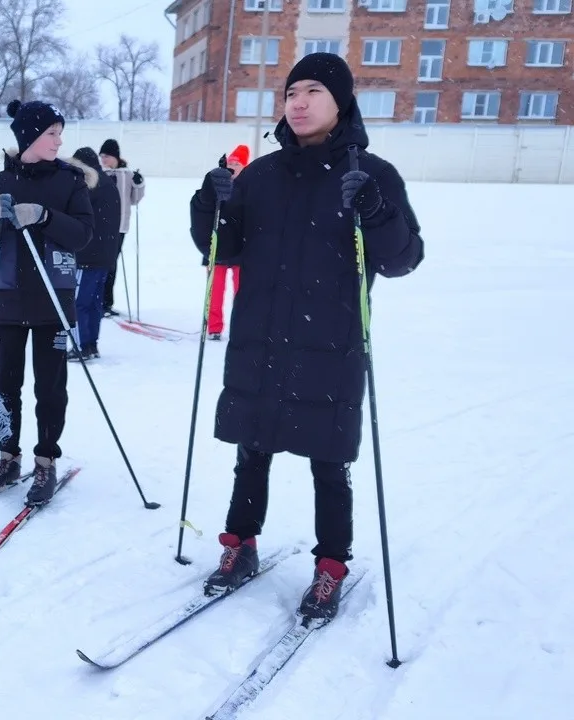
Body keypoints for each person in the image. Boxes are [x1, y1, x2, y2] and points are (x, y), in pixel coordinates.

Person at [191, 53, 424, 619]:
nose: (297, 102)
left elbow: (403, 258)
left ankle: (330, 567)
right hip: (262, 341)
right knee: (253, 450)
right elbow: (222, 248)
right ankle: (239, 544)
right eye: (291, 92)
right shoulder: (262, 176)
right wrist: (211, 198)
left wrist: (375, 208)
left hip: (331, 346)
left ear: (340, 101)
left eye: (312, 91)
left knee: (329, 461)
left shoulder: (371, 174)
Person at [0, 99, 93, 508]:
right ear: (28, 137)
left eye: (60, 132)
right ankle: (8, 457)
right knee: (6, 384)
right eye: (51, 133)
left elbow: (83, 236)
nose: (59, 140)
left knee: (50, 387)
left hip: (53, 303)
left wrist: (43, 216)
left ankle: (45, 460)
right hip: (7, 301)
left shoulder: (70, 182)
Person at [68, 147, 120, 361]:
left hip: (86, 255)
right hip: (105, 255)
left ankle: (81, 346)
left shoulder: (88, 185)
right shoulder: (108, 184)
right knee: (94, 302)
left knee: (79, 302)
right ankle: (91, 344)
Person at [96, 139, 145, 317]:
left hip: (119, 227)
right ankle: (98, 302)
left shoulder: (127, 175)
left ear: (116, 157)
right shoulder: (98, 173)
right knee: (101, 264)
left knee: (111, 265)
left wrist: (139, 183)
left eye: (107, 156)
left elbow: (135, 199)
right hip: (100, 227)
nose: (103, 160)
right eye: (101, 156)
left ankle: (106, 302)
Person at [204, 144, 248, 341]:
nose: (233, 166)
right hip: (219, 246)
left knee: (242, 291)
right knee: (215, 290)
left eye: (237, 163)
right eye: (230, 162)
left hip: (241, 248)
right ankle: (214, 327)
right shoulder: (219, 183)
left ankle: (241, 326)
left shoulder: (249, 186)